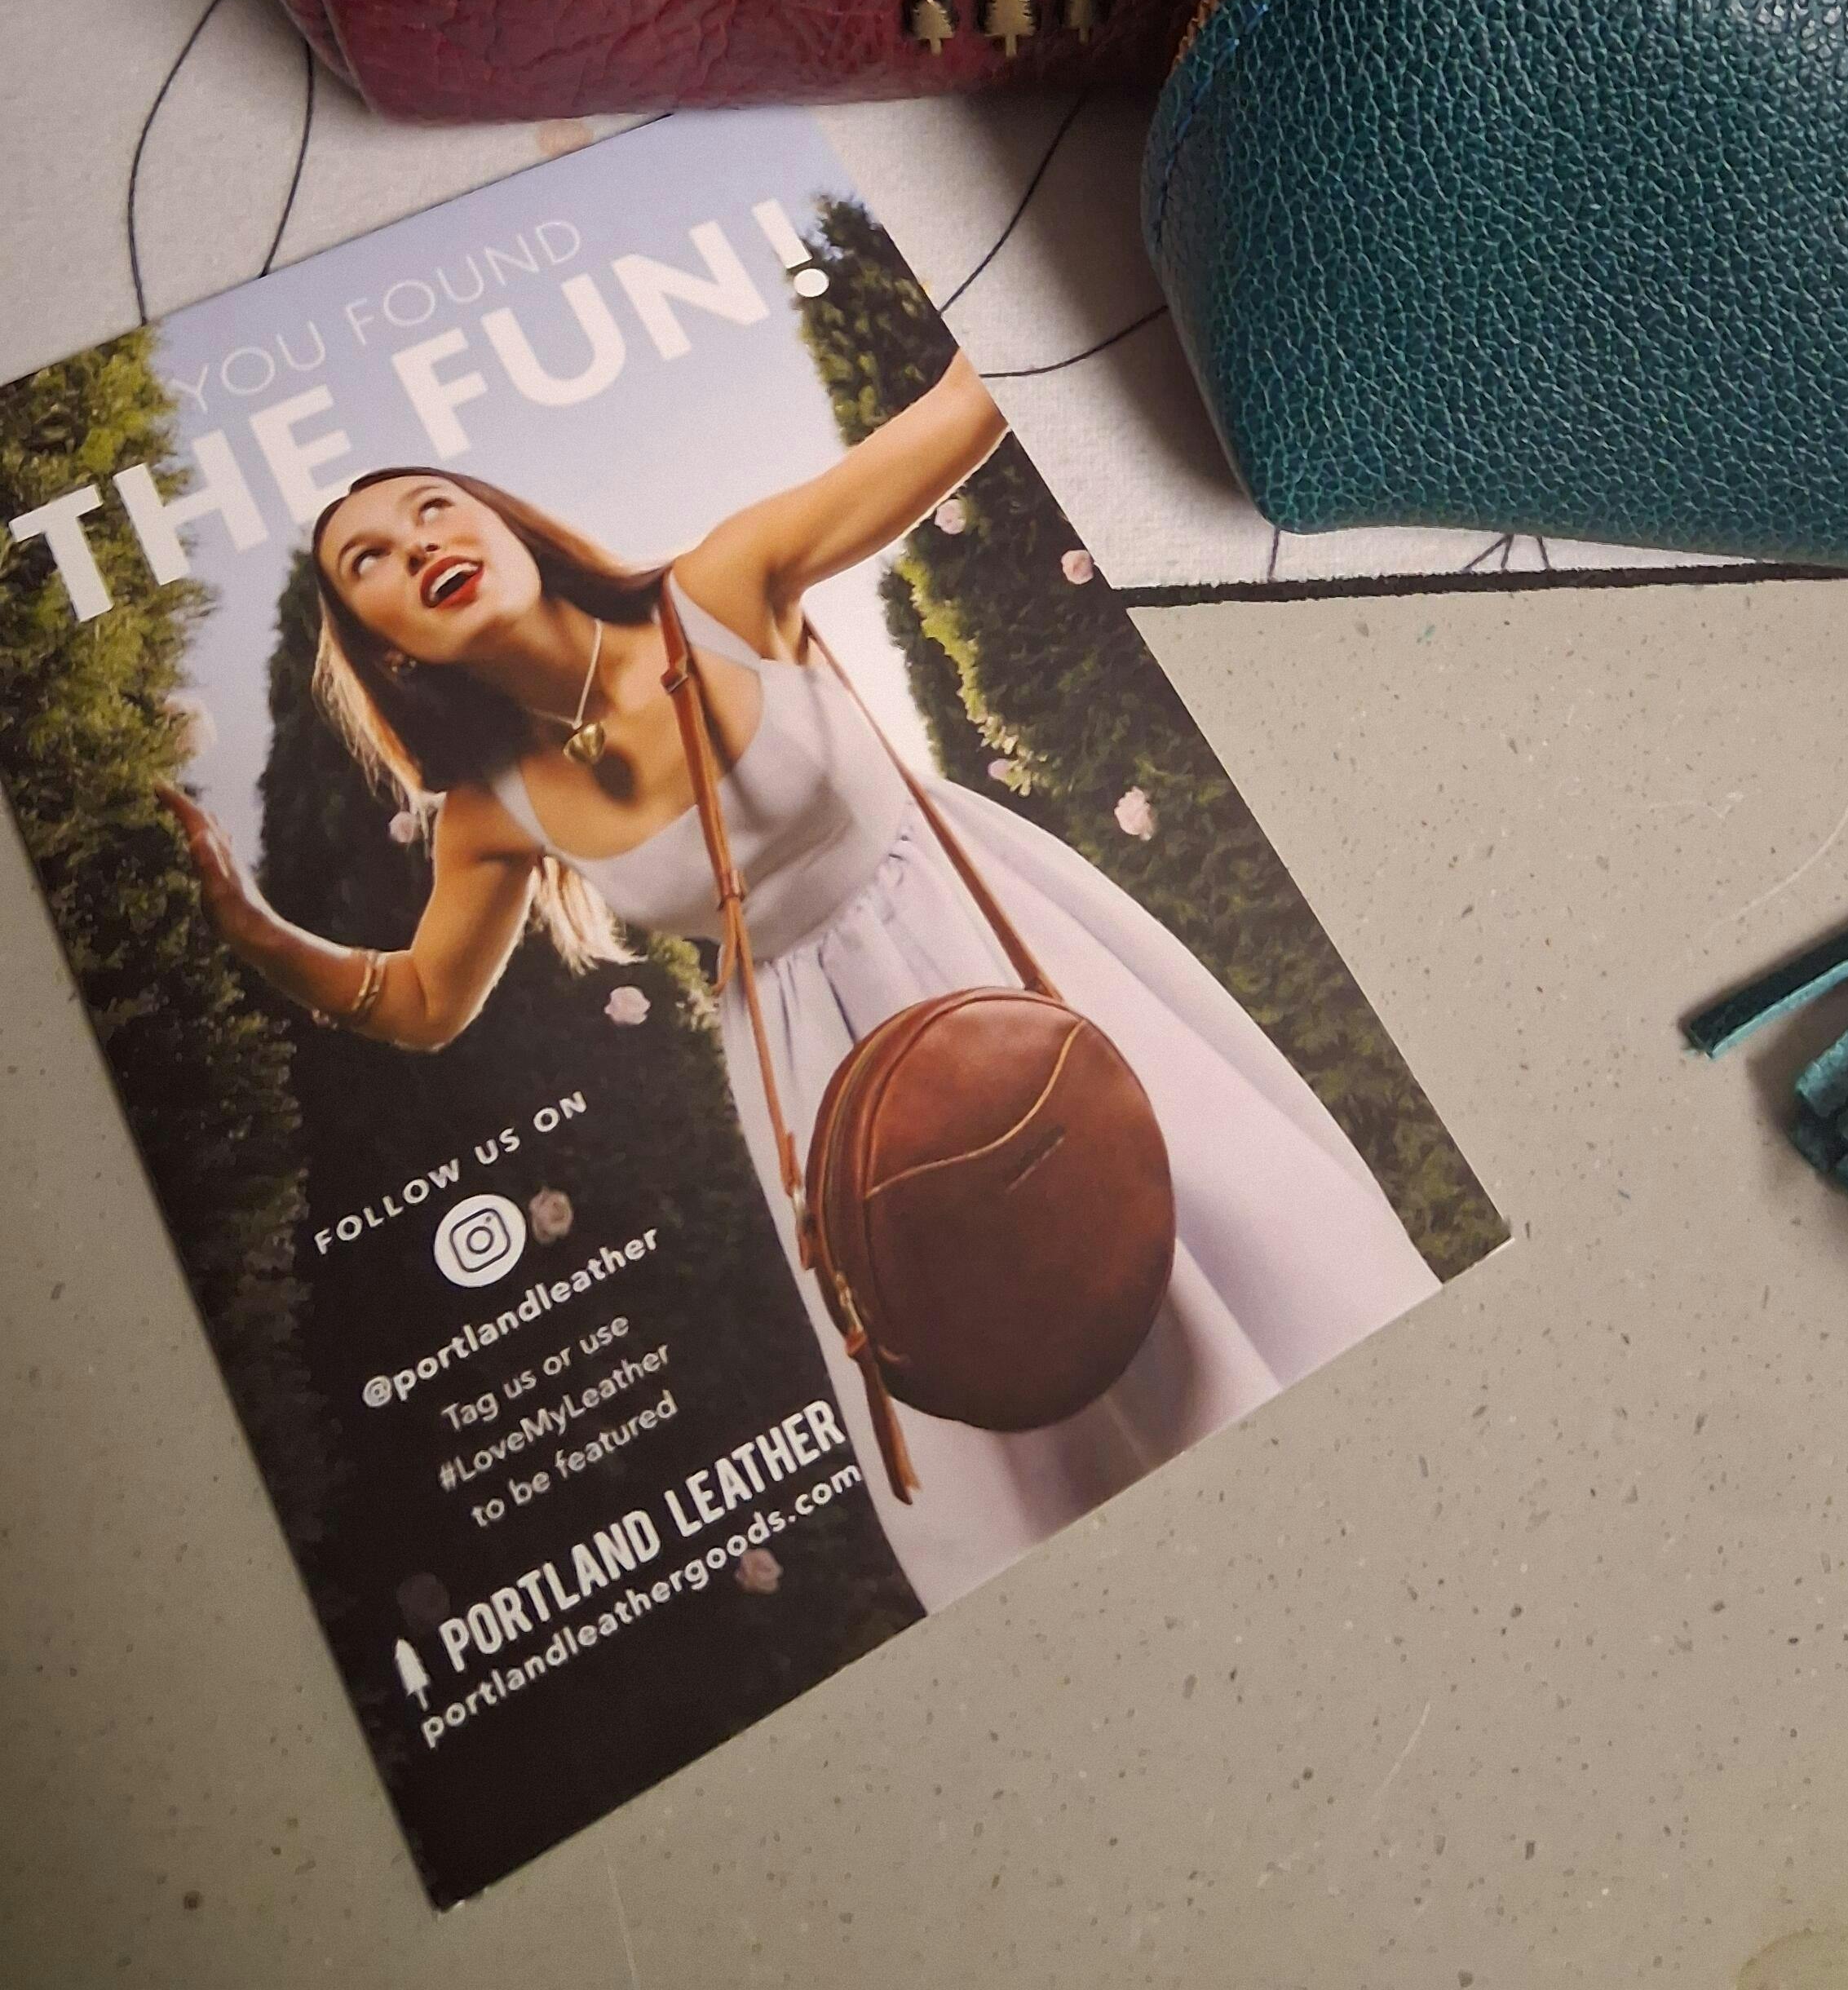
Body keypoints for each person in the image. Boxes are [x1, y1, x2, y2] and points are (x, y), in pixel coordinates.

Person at [162, 350, 1438, 1612]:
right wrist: (248, 926)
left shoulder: (720, 585)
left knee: (1201, 1217)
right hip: (818, 1072)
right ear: (385, 649)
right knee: (996, 1356)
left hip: (989, 938)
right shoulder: (491, 813)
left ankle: (1402, 1477)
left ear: (507, 524)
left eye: (432, 506)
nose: (416, 544)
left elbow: (968, 405)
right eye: (368, 562)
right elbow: (422, 1003)